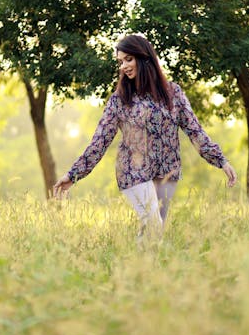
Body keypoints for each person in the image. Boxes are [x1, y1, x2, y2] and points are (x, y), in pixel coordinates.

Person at [53, 34, 237, 235]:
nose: (123, 66)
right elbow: (100, 141)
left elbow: (195, 130)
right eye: (120, 62)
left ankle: (144, 266)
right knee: (153, 225)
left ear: (144, 57)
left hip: (167, 171)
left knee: (152, 233)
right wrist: (73, 175)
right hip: (133, 172)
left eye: (128, 59)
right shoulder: (120, 100)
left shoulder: (173, 93)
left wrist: (221, 161)